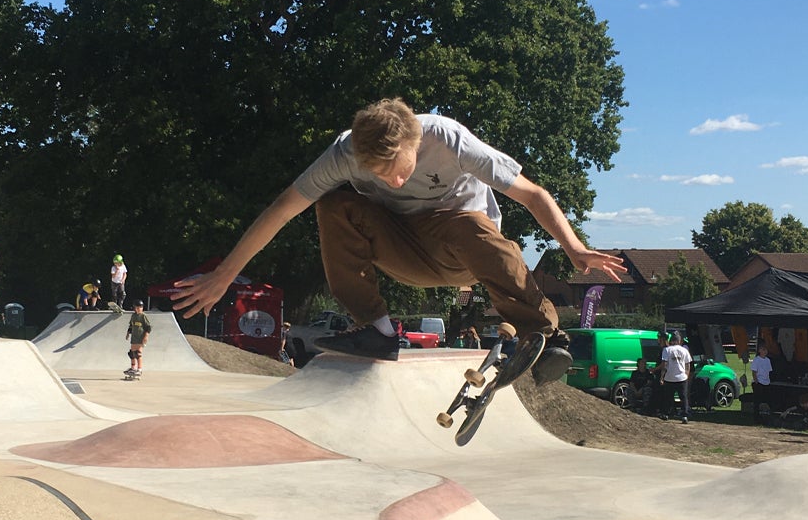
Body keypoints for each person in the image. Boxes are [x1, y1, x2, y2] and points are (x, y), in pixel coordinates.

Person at [169, 98, 623, 385]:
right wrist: (224, 275)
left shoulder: (447, 138)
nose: (394, 179)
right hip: (402, 249)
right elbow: (282, 209)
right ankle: (377, 330)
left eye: (400, 168)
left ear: (415, 140)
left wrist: (573, 246)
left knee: (470, 223)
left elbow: (532, 193)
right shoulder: (344, 154)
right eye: (381, 174)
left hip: (462, 249)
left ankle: (543, 332)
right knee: (332, 204)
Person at [659, 331, 692, 424]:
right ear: (679, 340)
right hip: (682, 377)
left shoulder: (667, 350)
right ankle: (685, 415)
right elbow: (688, 364)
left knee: (668, 397)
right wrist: (687, 375)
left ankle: (666, 413)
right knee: (683, 397)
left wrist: (662, 377)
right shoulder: (684, 350)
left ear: (671, 340)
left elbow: (665, 365)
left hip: (669, 377)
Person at [125, 304, 152, 378]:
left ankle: (139, 369)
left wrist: (146, 336)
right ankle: (133, 368)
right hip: (134, 337)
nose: (139, 309)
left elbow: (148, 327)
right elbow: (131, 325)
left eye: (140, 307)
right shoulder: (133, 316)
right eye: (137, 308)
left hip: (140, 337)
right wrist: (128, 333)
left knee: (138, 353)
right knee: (132, 353)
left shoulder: (143, 316)